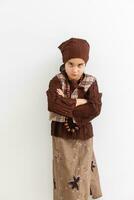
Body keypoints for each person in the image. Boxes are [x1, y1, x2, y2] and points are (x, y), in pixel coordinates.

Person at [46, 37, 103, 200]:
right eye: (71, 64)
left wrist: (66, 103)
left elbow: (95, 108)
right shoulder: (56, 81)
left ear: (85, 64)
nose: (75, 70)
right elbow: (53, 104)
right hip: (61, 137)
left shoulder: (91, 82)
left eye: (80, 65)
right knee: (63, 175)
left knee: (82, 178)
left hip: (83, 136)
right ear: (65, 63)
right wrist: (81, 101)